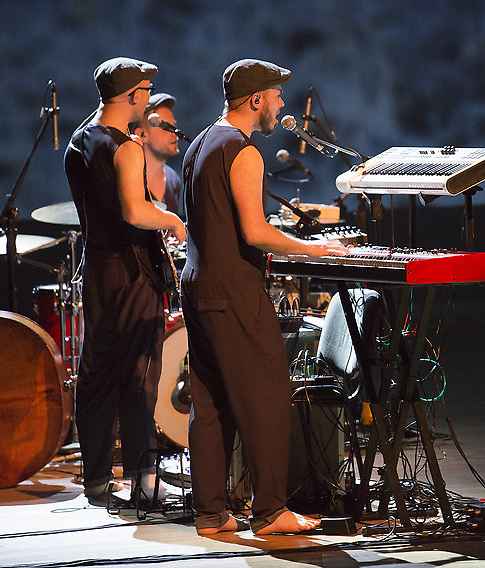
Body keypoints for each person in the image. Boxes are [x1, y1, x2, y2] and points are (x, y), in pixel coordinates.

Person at [180, 58, 349, 536]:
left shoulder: (199, 143)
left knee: (210, 402)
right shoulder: (244, 151)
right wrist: (313, 248)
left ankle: (210, 514)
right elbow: (254, 232)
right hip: (233, 289)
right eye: (276, 96)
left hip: (197, 283)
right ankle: (271, 512)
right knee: (268, 397)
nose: (281, 104)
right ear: (256, 100)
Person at [63, 57, 187, 508]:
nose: (149, 98)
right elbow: (135, 212)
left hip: (97, 269)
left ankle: (96, 479)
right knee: (140, 375)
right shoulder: (126, 148)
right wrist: (173, 220)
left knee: (96, 374)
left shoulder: (78, 142)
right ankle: (145, 483)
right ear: (132, 95)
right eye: (146, 90)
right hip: (132, 270)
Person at [130, 93, 184, 217]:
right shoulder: (127, 180)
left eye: (174, 126)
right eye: (165, 126)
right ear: (142, 134)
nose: (175, 132)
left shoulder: (173, 180)